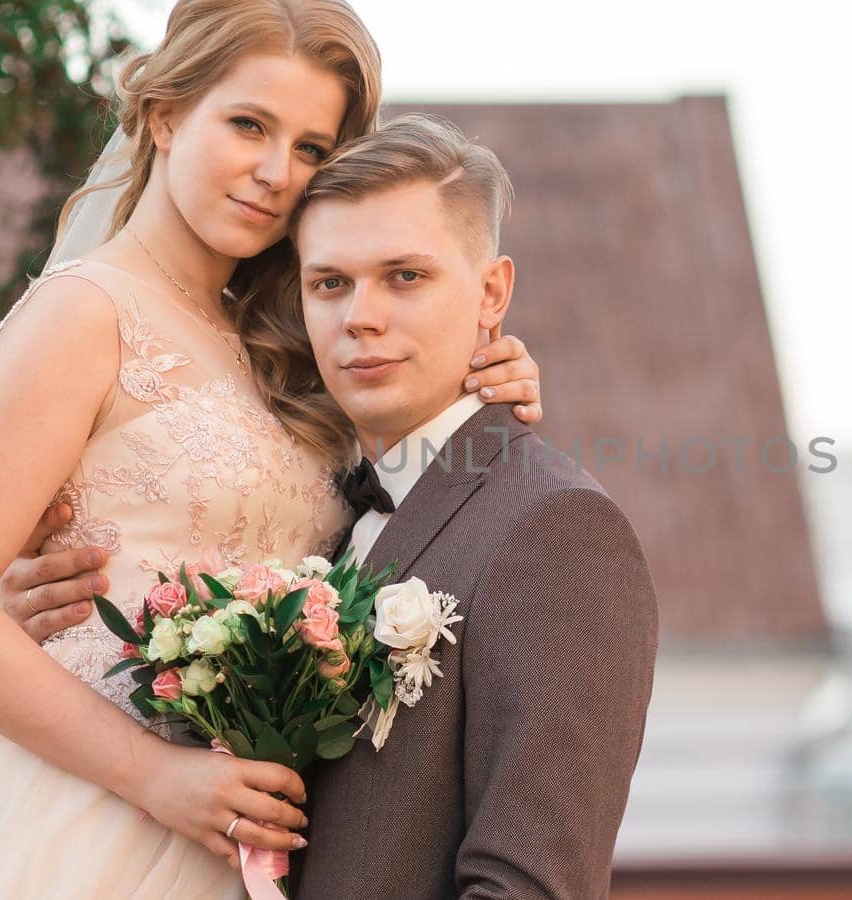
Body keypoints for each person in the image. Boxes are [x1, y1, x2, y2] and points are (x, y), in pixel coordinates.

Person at [0, 3, 544, 898]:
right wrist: (156, 777)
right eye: (249, 124)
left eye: (310, 149)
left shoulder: (288, 338)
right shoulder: (85, 315)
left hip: (255, 833)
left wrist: (483, 379)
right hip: (93, 816)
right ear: (166, 113)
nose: (273, 173)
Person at [289, 115, 658, 898]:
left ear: (492, 292)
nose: (360, 316)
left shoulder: (557, 532)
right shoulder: (316, 522)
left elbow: (528, 886)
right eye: (330, 282)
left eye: (405, 277)